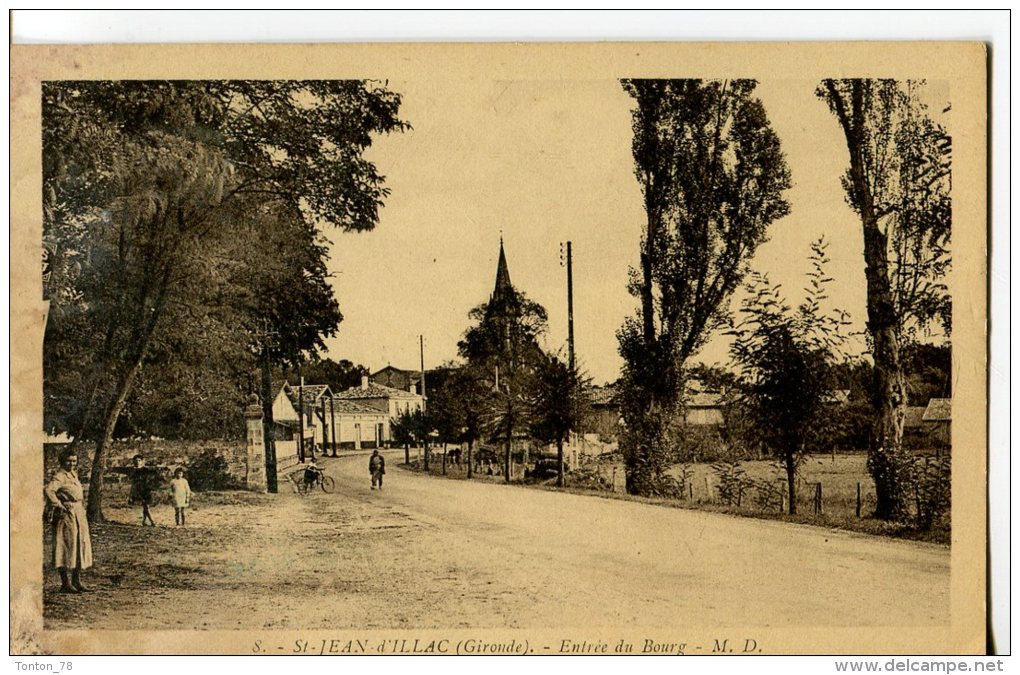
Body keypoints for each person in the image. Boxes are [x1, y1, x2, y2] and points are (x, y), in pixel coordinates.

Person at [44, 450, 93, 593]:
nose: (71, 463)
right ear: (62, 461)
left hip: (78, 511)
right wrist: (58, 504)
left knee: (80, 544)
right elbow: (48, 490)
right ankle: (65, 583)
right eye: (68, 461)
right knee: (65, 544)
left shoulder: (73, 474)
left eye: (74, 461)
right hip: (67, 513)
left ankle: (76, 581)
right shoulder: (60, 475)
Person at [130, 454, 157, 526]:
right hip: (139, 491)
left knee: (146, 506)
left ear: (142, 461)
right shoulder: (134, 471)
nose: (137, 462)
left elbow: (151, 479)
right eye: (136, 461)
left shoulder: (146, 470)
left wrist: (151, 487)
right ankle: (148, 521)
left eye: (139, 460)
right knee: (145, 506)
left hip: (147, 490)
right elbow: (133, 482)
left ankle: (150, 521)